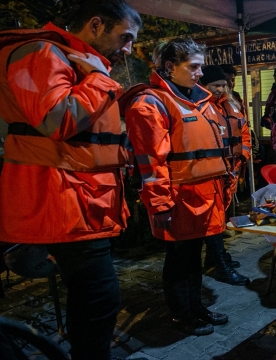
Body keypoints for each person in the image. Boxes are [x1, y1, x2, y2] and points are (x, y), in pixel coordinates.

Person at [0, 1, 140, 358]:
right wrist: (99, 80)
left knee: (93, 297)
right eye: (125, 37)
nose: (128, 48)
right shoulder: (42, 53)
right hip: (60, 199)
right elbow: (56, 120)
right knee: (99, 297)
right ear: (95, 25)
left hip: (80, 199)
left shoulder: (71, 60)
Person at [122, 38, 234, 336]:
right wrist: (158, 204)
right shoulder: (151, 104)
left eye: (201, 67)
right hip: (178, 199)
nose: (200, 73)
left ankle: (195, 308)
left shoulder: (199, 100)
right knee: (178, 259)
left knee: (192, 257)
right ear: (170, 67)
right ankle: (181, 314)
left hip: (205, 195)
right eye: (194, 67)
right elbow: (150, 163)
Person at [198, 65, 251, 286]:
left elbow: (244, 132)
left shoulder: (232, 106)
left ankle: (216, 258)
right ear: (204, 85)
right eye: (215, 85)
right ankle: (220, 264)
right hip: (212, 174)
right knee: (214, 221)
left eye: (223, 85)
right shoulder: (200, 108)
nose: (221, 89)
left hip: (229, 171)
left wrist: (243, 157)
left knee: (220, 219)